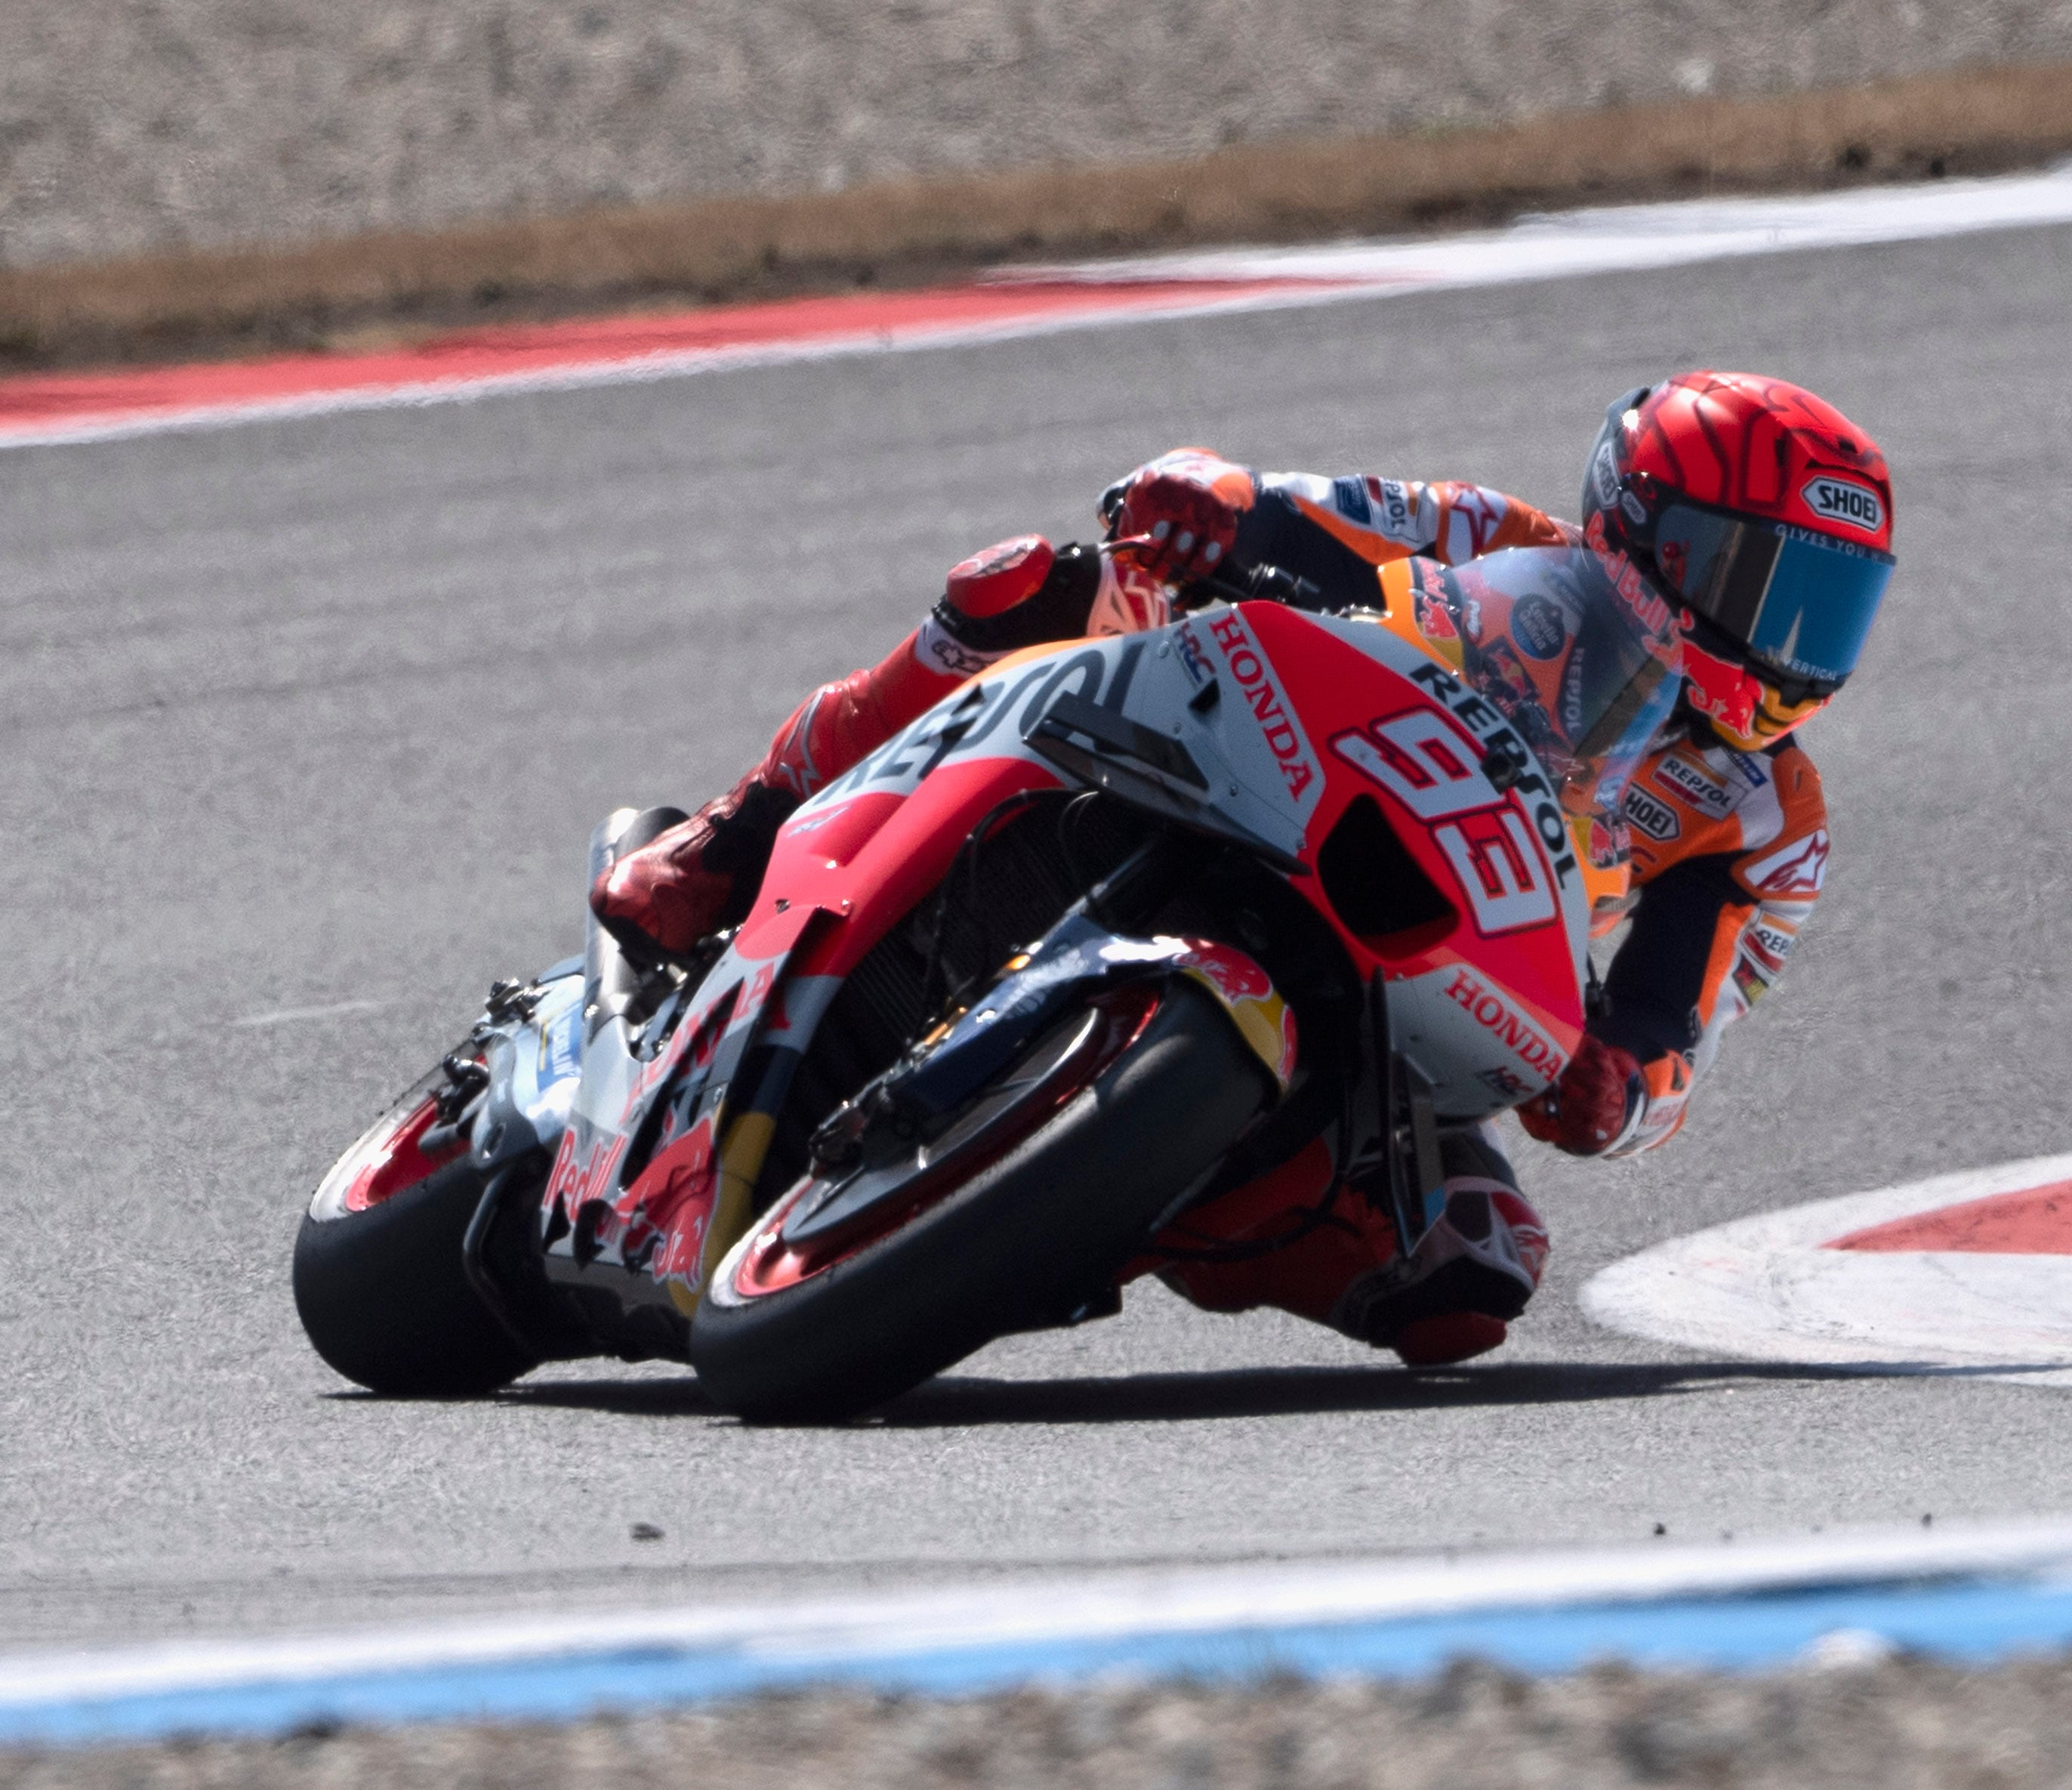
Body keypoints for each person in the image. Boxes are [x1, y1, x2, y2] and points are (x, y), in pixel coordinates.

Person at [594, 371, 1895, 1366]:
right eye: (1770, 586)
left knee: (1472, 1275)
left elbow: (1675, 1033)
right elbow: (1272, 502)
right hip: (1251, 765)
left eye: (1832, 608)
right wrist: (1200, 507)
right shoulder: (1488, 535)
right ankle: (737, 832)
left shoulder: (1768, 817)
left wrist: (1621, 1091)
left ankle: (1100, 1194)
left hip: (1418, 976)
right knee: (1030, 586)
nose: (1797, 646)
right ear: (1654, 537)